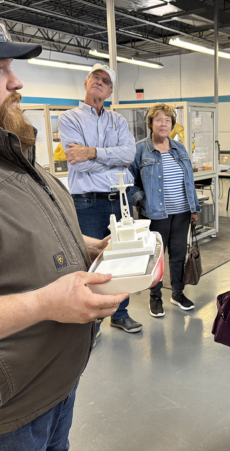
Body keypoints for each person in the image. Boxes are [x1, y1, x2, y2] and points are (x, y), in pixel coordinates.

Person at [0, 27, 127, 449]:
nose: (16, 82)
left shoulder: (16, 154)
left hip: (57, 385)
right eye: (1, 70)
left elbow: (126, 156)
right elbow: (82, 158)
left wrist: (85, 246)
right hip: (12, 411)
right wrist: (43, 303)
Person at [58, 63, 142, 337]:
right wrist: (112, 160)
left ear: (110, 91)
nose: (99, 82)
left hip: (120, 199)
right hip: (87, 202)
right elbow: (77, 164)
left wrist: (92, 152)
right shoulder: (69, 118)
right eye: (96, 77)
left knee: (122, 258)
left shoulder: (117, 120)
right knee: (90, 261)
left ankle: (120, 313)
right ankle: (90, 324)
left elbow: (128, 156)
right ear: (86, 82)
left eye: (105, 81)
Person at [129, 103, 200, 318]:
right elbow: (130, 182)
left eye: (167, 120)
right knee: (156, 257)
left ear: (172, 124)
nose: (163, 124)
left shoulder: (180, 148)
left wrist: (194, 209)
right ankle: (155, 298)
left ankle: (177, 294)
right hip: (156, 215)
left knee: (177, 256)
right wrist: (142, 202)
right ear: (150, 124)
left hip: (182, 213)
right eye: (158, 120)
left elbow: (189, 180)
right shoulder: (140, 149)